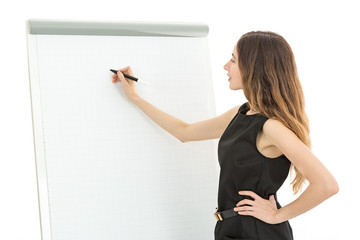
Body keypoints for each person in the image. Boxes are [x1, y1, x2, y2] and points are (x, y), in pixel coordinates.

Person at [111, 31, 339, 240]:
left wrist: (277, 215)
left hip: (257, 232)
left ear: (254, 67)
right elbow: (185, 132)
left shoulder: (272, 127)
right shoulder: (242, 113)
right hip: (230, 228)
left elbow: (327, 184)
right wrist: (136, 98)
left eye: (234, 59)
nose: (225, 66)